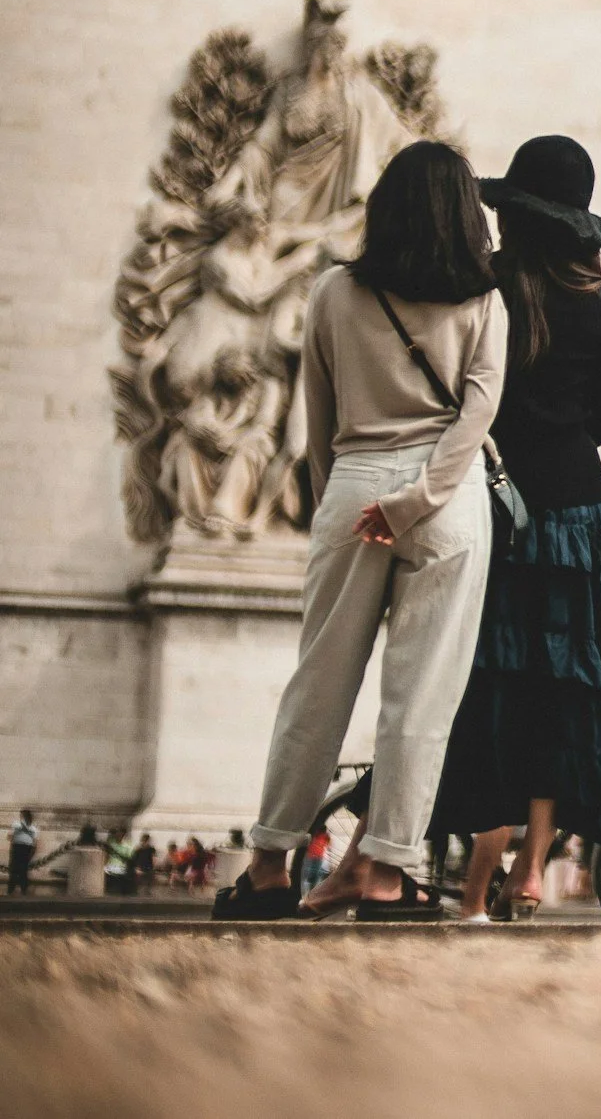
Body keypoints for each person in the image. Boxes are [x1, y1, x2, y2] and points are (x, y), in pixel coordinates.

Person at [218, 141, 507, 922]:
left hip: (354, 487)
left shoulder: (333, 293)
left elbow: (317, 417)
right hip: (448, 503)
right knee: (421, 699)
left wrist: (340, 505)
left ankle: (270, 866)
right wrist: (419, 499)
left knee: (319, 686)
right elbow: (478, 415)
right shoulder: (485, 298)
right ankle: (386, 873)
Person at [425, 135, 601, 923]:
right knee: (570, 692)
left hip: (496, 506)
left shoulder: (487, 293)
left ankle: (473, 879)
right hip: (579, 513)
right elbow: (599, 424)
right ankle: (532, 866)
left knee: (498, 688)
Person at [8, 811, 34, 895]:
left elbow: (9, 837)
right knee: (23, 871)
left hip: (17, 847)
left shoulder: (16, 824)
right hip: (26, 848)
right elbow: (35, 842)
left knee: (14, 870)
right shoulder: (33, 827)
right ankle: (23, 890)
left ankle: (11, 890)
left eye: (21, 816)